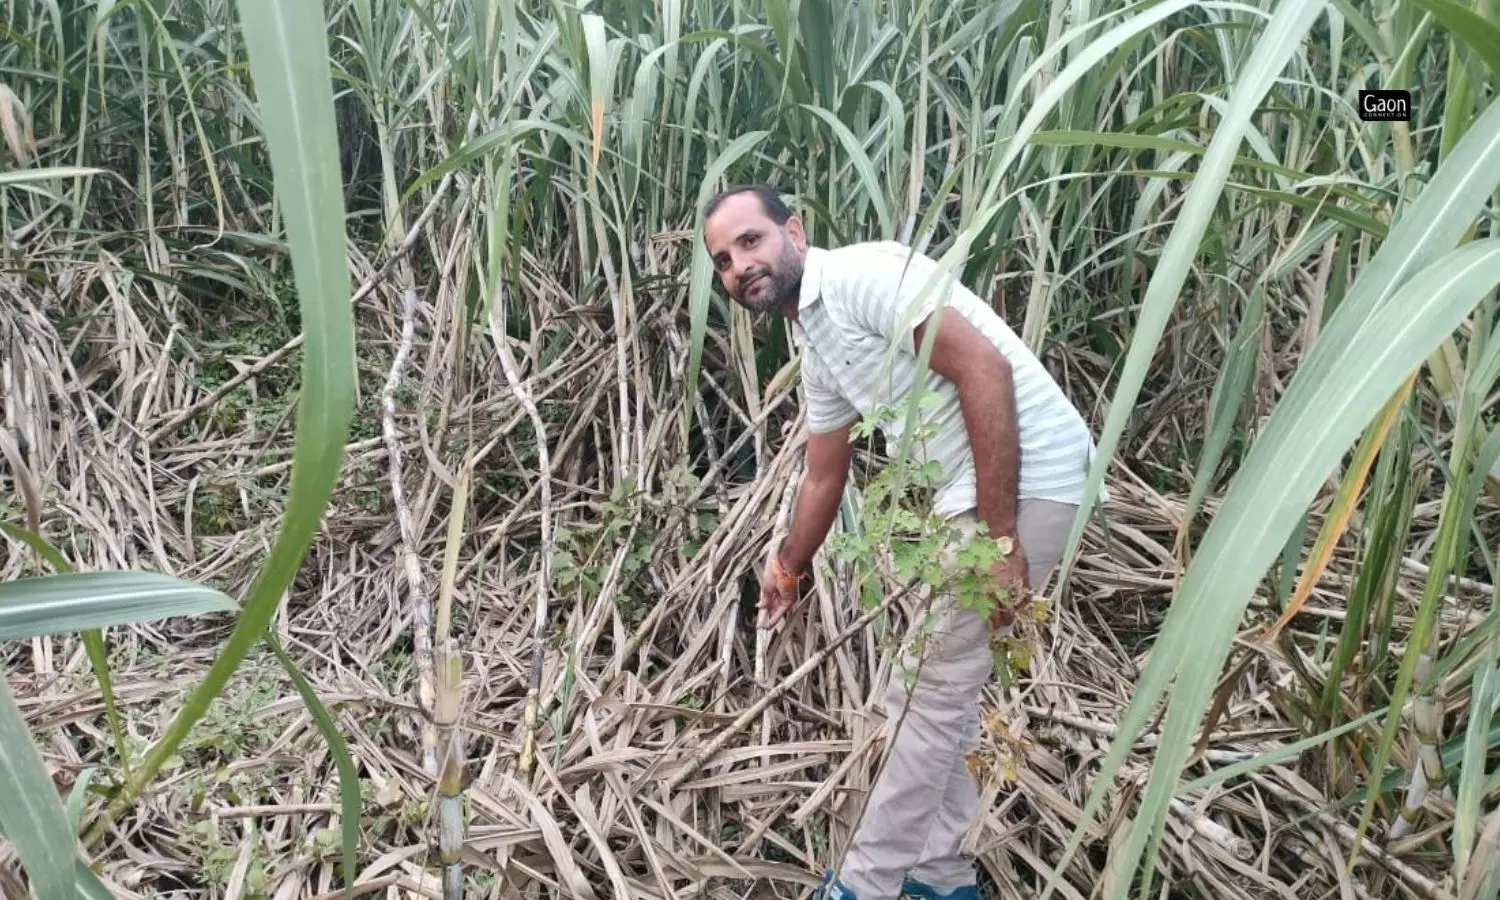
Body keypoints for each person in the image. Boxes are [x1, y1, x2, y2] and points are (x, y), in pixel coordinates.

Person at [701, 183, 1104, 900]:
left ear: (794, 230)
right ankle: (938, 879)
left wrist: (1002, 536)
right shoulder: (816, 338)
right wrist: (788, 569)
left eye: (751, 241)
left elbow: (985, 368)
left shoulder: (861, 278)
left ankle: (864, 885)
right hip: (979, 502)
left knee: (929, 699)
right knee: (916, 695)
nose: (739, 266)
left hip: (1027, 485)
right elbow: (825, 475)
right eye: (724, 261)